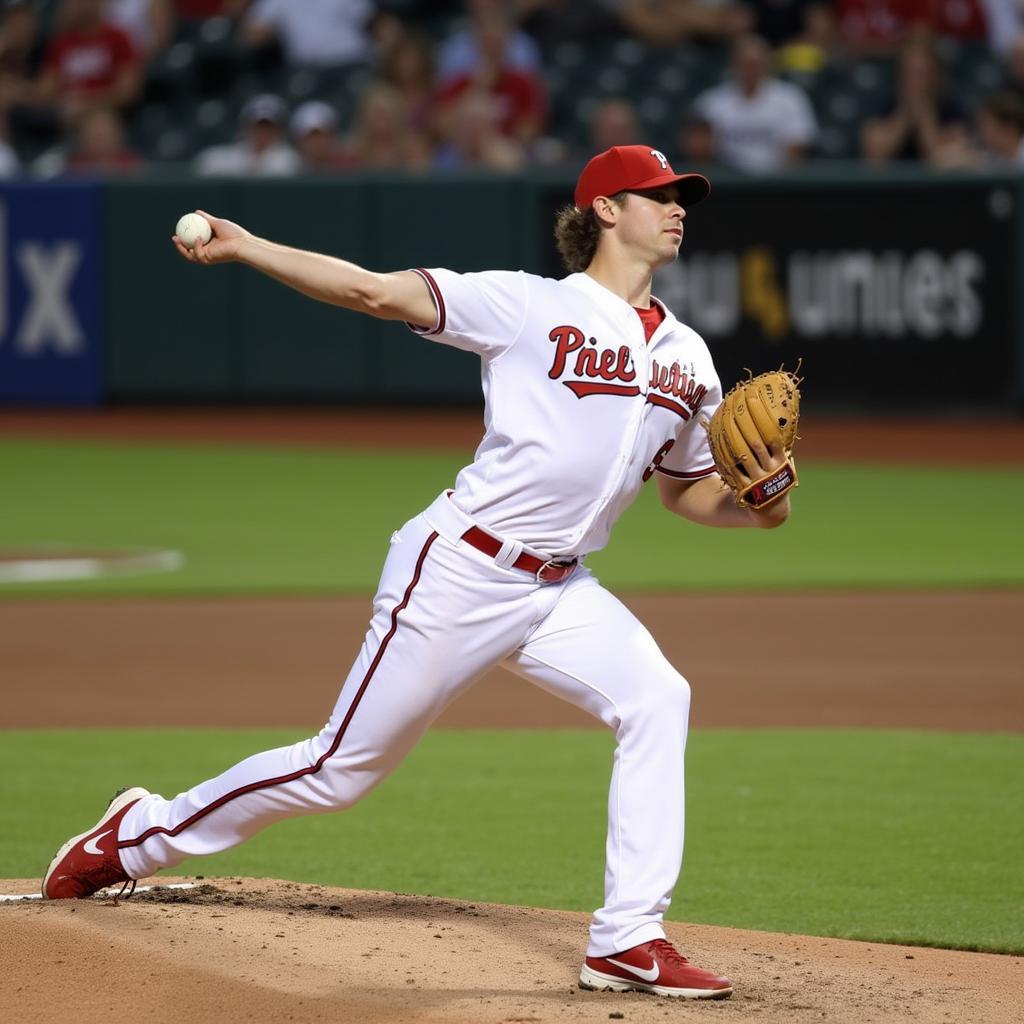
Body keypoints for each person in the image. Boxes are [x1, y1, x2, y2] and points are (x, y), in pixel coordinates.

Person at [42, 144, 798, 1000]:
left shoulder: (690, 357)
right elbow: (372, 288)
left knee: (659, 698)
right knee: (338, 770)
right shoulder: (525, 305)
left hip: (559, 589)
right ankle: (135, 835)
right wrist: (249, 244)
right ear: (604, 211)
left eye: (681, 196)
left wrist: (761, 504)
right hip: (460, 571)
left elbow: (687, 492)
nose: (677, 207)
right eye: (655, 194)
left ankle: (627, 939)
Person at [691, 33, 818, 171]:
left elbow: (797, 146)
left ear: (767, 64)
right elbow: (698, 148)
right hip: (726, 181)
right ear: (734, 65)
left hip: (777, 180)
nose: (751, 70)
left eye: (756, 64)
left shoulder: (790, 98)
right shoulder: (711, 102)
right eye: (745, 64)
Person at [195, 92, 301, 176]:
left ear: (280, 130)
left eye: (268, 127)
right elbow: (205, 163)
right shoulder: (232, 154)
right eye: (257, 126)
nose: (262, 132)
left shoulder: (289, 158)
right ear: (245, 128)